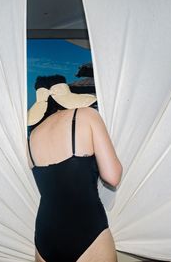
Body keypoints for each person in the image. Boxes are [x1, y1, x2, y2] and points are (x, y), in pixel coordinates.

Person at [26, 74, 123, 262]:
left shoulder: (33, 136)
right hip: (88, 229)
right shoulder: (86, 115)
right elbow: (113, 176)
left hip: (45, 235)